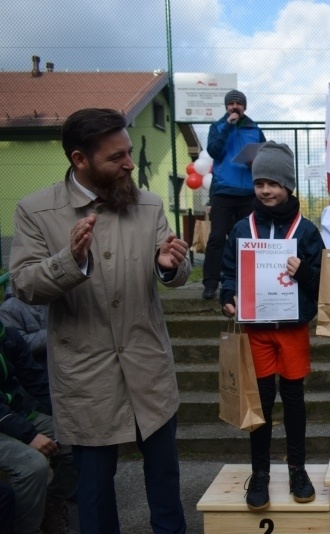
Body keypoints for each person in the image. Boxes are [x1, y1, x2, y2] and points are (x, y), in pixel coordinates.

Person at [9, 108, 190, 533]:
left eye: (128, 152)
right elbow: (23, 284)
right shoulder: (36, 211)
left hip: (148, 367)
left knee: (165, 480)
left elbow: (176, 272)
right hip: (85, 375)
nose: (129, 163)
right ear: (80, 160)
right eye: (116, 157)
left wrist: (169, 265)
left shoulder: (149, 205)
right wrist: (69, 261)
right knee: (94, 490)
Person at [219, 141, 324, 511]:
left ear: (289, 186)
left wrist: (306, 271)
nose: (266, 190)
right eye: (260, 182)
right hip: (256, 330)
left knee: (294, 401)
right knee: (261, 403)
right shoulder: (240, 229)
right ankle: (260, 472)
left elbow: (322, 281)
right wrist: (227, 297)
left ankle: (298, 469)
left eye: (274, 183)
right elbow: (229, 273)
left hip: (292, 328)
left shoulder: (306, 231)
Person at [0, 323, 77, 534]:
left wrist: (66, 413)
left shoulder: (9, 335)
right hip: (7, 421)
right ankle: (24, 529)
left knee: (78, 438)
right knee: (33, 467)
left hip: (19, 414)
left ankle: (50, 505)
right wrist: (30, 435)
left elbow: (35, 380)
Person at [202, 89, 266, 301]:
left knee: (246, 239)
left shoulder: (255, 129)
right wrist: (228, 126)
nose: (235, 106)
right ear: (227, 107)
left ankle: (245, 281)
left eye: (239, 103)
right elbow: (213, 151)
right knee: (217, 237)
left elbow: (265, 156)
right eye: (231, 103)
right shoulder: (218, 127)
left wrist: (255, 161)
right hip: (223, 191)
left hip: (248, 193)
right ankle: (211, 283)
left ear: (244, 106)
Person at [0, 282, 48, 369]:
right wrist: (55, 334)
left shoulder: (54, 298)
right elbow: (17, 345)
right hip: (35, 370)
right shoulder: (9, 308)